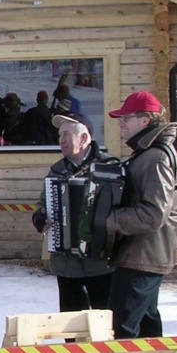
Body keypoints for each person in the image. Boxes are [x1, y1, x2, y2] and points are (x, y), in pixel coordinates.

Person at [104, 91, 177, 339]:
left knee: (122, 331)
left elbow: (153, 214)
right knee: (147, 328)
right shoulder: (148, 153)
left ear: (145, 121)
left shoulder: (155, 158)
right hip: (146, 253)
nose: (121, 124)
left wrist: (108, 220)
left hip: (143, 255)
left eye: (126, 119)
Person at [32, 112, 114, 315]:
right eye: (60, 135)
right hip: (66, 266)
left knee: (105, 322)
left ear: (84, 138)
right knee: (71, 327)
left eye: (66, 134)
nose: (61, 140)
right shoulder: (57, 171)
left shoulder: (108, 167)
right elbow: (42, 205)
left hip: (101, 263)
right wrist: (40, 219)